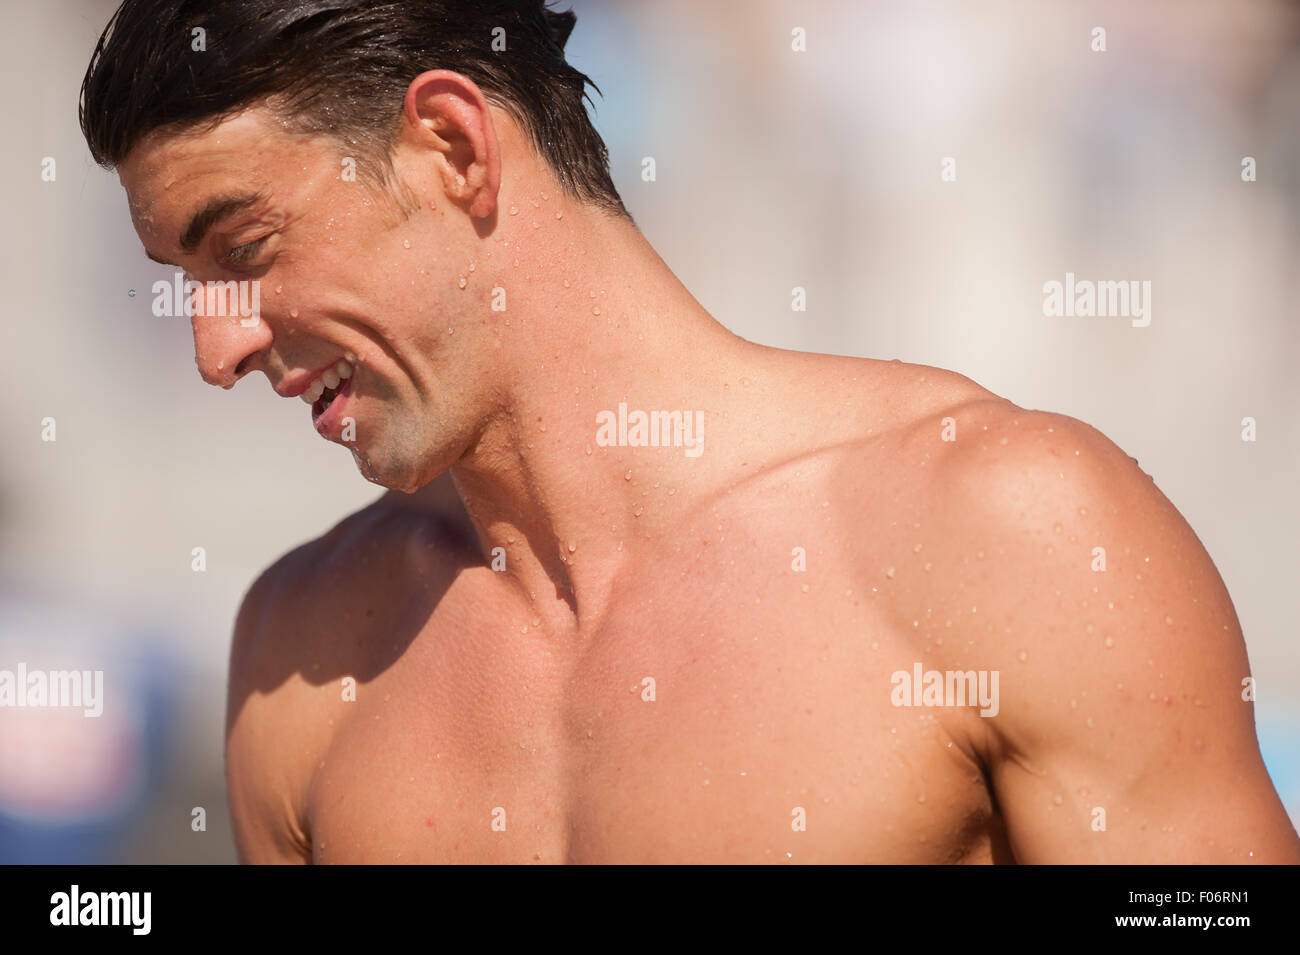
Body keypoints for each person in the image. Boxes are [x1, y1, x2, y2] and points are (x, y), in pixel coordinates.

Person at [81, 0, 1300, 863]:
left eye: (241, 254)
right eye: (180, 283)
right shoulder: (305, 661)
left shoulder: (1005, 534)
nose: (215, 349)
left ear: (452, 147)